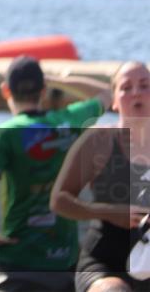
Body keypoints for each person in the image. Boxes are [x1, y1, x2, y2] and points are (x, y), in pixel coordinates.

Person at [0, 55, 113, 292]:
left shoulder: (6, 133)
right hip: (63, 259)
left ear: (6, 91)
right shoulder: (69, 121)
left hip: (18, 260)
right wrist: (57, 80)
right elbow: (107, 93)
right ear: (43, 90)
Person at [51, 61, 150, 292]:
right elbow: (59, 200)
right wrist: (109, 212)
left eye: (145, 85)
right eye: (126, 87)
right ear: (114, 101)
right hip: (104, 259)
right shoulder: (98, 142)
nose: (136, 92)